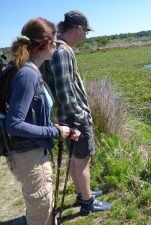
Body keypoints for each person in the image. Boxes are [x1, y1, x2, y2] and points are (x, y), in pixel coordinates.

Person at [5, 18, 81, 225]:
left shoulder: (28, 70)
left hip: (31, 152)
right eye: (55, 39)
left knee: (46, 207)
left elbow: (31, 116)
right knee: (40, 211)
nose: (57, 45)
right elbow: (14, 124)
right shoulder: (28, 74)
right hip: (28, 156)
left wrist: (57, 128)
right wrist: (54, 132)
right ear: (46, 42)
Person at [42, 10, 111, 215]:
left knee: (76, 159)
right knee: (83, 160)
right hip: (74, 118)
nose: (86, 35)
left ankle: (84, 193)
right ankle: (87, 202)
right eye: (85, 31)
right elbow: (65, 93)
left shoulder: (57, 48)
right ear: (77, 28)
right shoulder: (62, 52)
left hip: (66, 118)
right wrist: (82, 116)